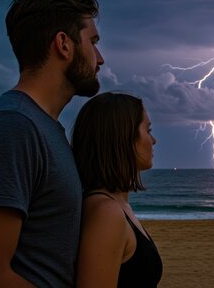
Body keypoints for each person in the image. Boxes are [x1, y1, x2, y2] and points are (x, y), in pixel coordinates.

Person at [0, 0, 104, 287]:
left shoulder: (42, 128)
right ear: (64, 44)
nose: (100, 58)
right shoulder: (12, 127)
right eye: (93, 42)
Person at [71, 92, 162, 287]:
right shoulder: (106, 212)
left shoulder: (117, 205)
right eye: (148, 130)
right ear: (124, 136)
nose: (154, 140)